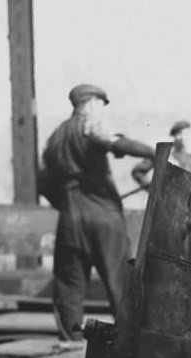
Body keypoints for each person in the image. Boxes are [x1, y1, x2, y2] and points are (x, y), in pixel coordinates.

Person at [39, 83, 155, 339]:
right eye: (101, 105)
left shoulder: (56, 137)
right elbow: (113, 142)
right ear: (91, 104)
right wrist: (153, 153)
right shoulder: (89, 124)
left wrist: (69, 203)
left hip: (70, 219)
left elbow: (43, 181)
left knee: (69, 288)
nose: (102, 111)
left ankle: (71, 346)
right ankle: (130, 345)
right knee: (120, 282)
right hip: (103, 217)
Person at [132, 119, 191, 263]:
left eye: (186, 135)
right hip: (169, 215)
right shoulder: (165, 156)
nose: (183, 138)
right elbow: (138, 171)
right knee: (170, 258)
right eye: (180, 135)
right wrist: (153, 188)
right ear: (175, 137)